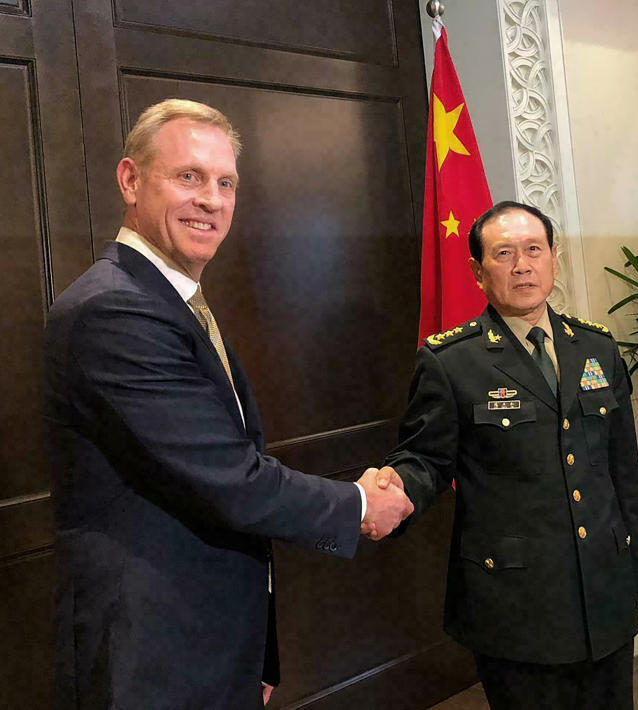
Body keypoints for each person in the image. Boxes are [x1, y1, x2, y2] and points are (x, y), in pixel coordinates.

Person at [43, 99, 413, 709]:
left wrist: (253, 653)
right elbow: (231, 481)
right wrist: (358, 504)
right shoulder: (114, 311)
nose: (211, 200)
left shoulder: (175, 301)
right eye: (188, 176)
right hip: (154, 654)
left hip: (209, 642)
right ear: (131, 180)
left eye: (226, 183)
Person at [373, 201, 638, 709]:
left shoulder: (596, 348)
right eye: (504, 254)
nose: (522, 264)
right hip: (517, 602)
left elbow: (623, 472)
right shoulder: (452, 362)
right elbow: (427, 461)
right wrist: (394, 490)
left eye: (534, 250)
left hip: (605, 589)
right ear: (478, 273)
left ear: (553, 259)